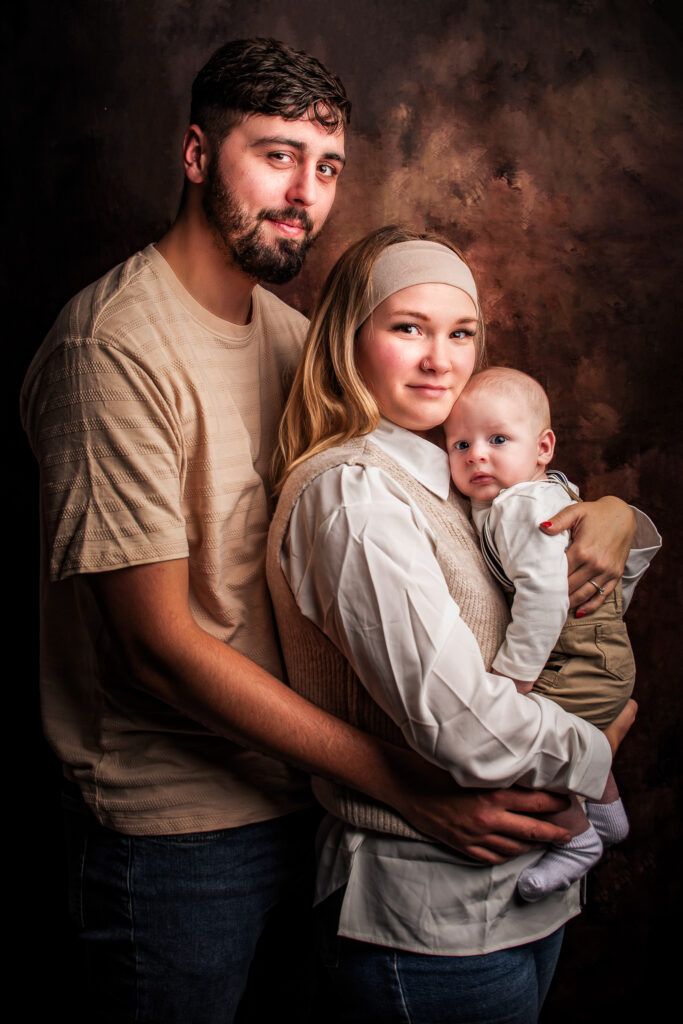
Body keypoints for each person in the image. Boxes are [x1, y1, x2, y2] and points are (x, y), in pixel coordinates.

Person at [21, 41, 620, 1023]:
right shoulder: (113, 349)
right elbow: (154, 646)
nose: (305, 193)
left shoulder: (300, 341)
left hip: (313, 803)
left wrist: (602, 514)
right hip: (179, 831)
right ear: (196, 155)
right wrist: (403, 786)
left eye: (327, 165)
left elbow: (466, 499)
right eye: (275, 156)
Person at [267, 226, 653, 1023]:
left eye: (461, 334)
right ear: (348, 339)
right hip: (429, 916)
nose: (439, 361)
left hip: (523, 893)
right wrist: (600, 745)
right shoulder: (353, 495)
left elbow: (572, 609)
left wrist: (613, 513)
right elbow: (461, 728)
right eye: (408, 328)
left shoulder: (460, 478)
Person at [445, 366, 657, 902]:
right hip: (591, 654)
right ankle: (608, 812)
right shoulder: (531, 493)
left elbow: (543, 596)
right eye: (461, 444)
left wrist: (513, 678)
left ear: (542, 448)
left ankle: (577, 839)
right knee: (560, 734)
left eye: (497, 440)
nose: (476, 456)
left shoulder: (523, 507)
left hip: (578, 659)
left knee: (518, 740)